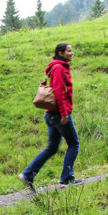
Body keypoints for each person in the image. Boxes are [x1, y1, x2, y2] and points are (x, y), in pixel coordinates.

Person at [19, 42, 83, 189]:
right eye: (69, 51)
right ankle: (67, 177)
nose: (72, 53)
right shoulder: (59, 68)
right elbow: (59, 91)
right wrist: (64, 113)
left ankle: (27, 174)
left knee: (52, 147)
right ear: (61, 53)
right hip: (59, 114)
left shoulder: (57, 67)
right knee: (74, 144)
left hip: (51, 115)